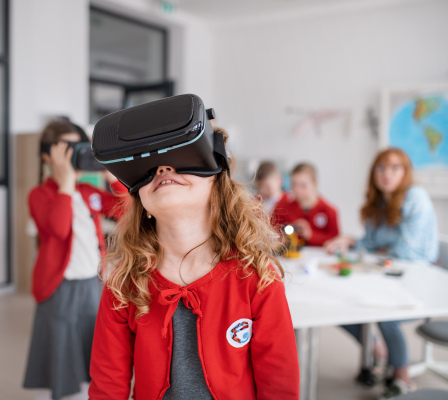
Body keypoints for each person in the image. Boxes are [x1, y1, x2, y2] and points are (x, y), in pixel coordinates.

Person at [88, 128, 300, 400]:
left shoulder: (257, 277)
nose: (162, 168)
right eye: (148, 167)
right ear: (141, 199)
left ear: (216, 182)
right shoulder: (123, 283)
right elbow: (107, 386)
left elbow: (279, 384)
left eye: (180, 158)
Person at [22, 119, 127, 400]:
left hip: (93, 284)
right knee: (61, 353)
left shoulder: (88, 192)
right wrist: (65, 184)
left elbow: (126, 209)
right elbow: (58, 229)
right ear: (47, 156)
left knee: (92, 349)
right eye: (65, 148)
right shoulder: (39, 195)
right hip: (59, 287)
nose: (74, 154)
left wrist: (110, 174)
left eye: (78, 147)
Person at [325, 148, 439, 399]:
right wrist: (350, 241)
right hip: (390, 273)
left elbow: (408, 251)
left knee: (386, 313)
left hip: (421, 277)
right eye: (381, 168)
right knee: (338, 302)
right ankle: (378, 350)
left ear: (405, 172)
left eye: (395, 167)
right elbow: (370, 243)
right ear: (373, 173)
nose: (387, 173)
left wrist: (378, 247)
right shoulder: (377, 203)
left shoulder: (415, 197)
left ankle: (402, 377)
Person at [271, 162, 339, 246]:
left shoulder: (329, 211)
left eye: (303, 185)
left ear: (314, 183)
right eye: (294, 184)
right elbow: (271, 233)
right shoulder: (282, 207)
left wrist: (311, 235)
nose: (297, 189)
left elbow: (335, 240)